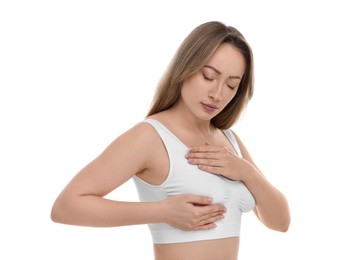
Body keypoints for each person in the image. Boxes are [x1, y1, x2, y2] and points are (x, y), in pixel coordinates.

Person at [51, 21, 290, 260]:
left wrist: (247, 173)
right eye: (208, 76)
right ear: (186, 68)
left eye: (231, 85)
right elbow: (66, 207)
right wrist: (162, 212)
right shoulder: (150, 137)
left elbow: (281, 222)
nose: (217, 94)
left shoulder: (229, 139)